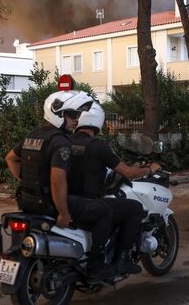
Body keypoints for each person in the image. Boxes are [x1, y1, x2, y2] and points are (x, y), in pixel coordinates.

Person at [4, 90, 116, 282]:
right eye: (71, 115)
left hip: (27, 201)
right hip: (49, 202)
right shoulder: (60, 142)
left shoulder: (33, 135)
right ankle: (96, 265)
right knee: (104, 211)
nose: (76, 119)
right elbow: (57, 181)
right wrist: (63, 213)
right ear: (58, 114)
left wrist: (27, 182)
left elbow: (11, 158)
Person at [68, 102, 161, 275]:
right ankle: (122, 260)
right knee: (134, 209)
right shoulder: (98, 146)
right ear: (97, 122)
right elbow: (128, 172)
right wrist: (150, 169)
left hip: (66, 202)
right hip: (88, 203)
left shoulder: (64, 142)